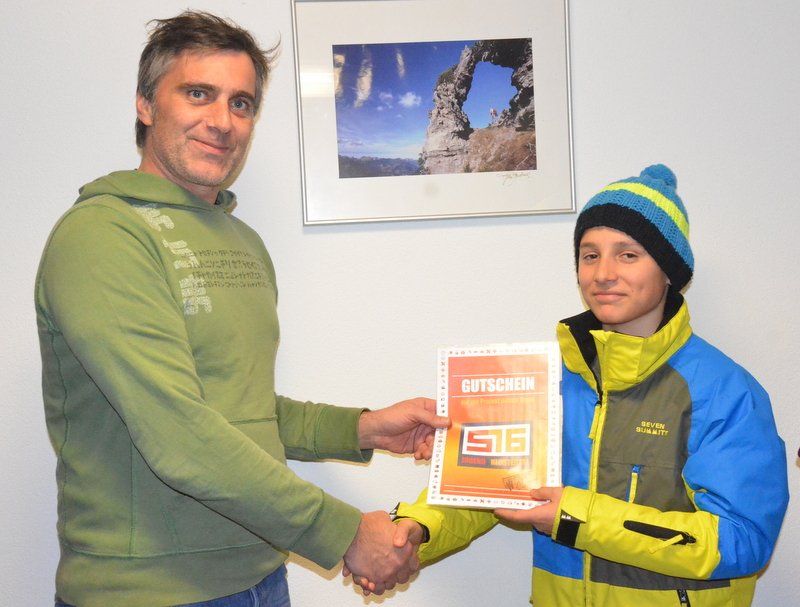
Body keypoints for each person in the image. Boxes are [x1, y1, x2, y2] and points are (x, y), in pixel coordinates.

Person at [35, 11, 447, 607]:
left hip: (260, 576)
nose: (222, 121)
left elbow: (238, 409)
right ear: (146, 105)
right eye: (197, 93)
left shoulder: (243, 242)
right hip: (148, 592)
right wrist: (346, 533)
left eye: (241, 103)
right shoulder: (102, 235)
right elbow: (181, 434)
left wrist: (362, 428)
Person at [374, 164, 789, 605]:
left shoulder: (726, 392)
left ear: (669, 270)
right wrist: (418, 530)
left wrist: (577, 518)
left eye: (628, 255)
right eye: (590, 255)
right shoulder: (544, 379)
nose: (603, 273)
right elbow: (491, 486)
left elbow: (743, 540)